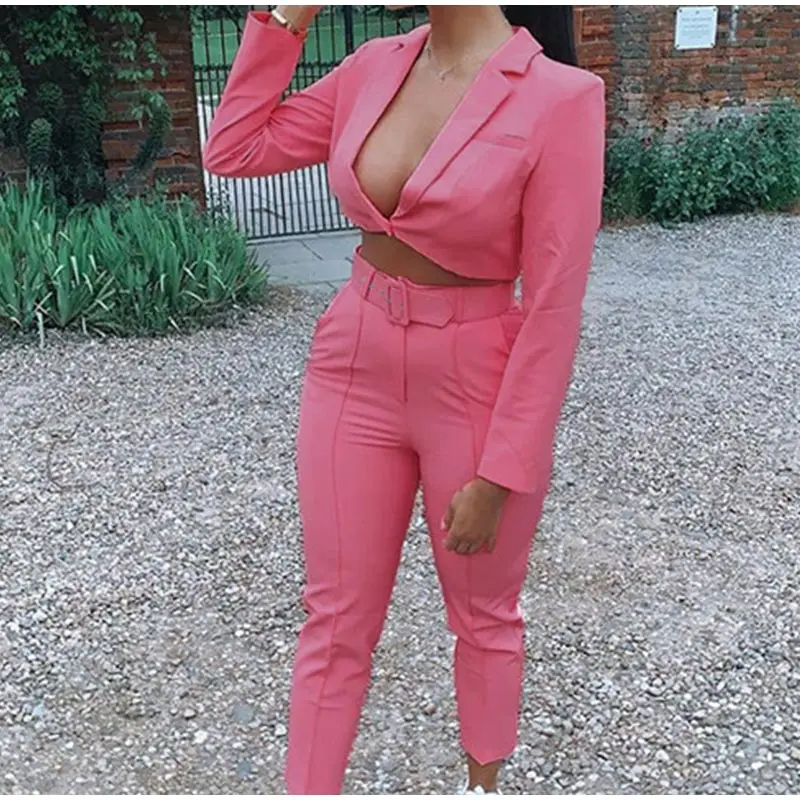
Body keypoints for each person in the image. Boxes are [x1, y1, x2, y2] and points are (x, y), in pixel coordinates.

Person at [203, 4, 604, 794]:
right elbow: (234, 147)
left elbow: (554, 306)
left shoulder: (561, 99)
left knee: (483, 616)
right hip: (354, 359)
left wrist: (505, 470)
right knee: (334, 617)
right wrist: (285, 17)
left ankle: (480, 788)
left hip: (476, 377)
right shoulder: (374, 65)